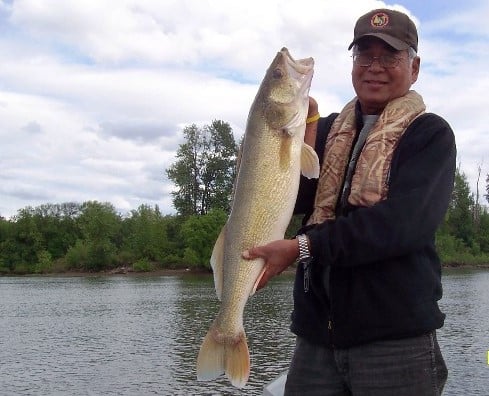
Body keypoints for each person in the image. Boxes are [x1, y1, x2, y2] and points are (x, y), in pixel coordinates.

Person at [243, 8, 456, 395]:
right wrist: (299, 135)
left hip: (395, 341)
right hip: (315, 338)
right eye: (364, 56)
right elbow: (295, 200)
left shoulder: (430, 135)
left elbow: (399, 226)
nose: (375, 67)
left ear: (415, 67)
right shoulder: (325, 130)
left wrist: (302, 246)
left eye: (389, 56)